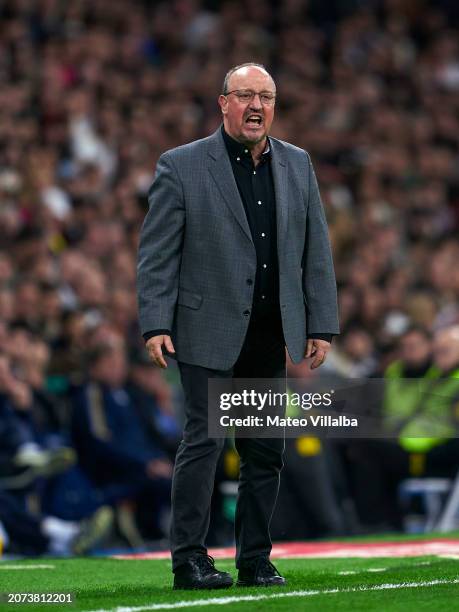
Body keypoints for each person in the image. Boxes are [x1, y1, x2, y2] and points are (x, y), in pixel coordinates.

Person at [137, 63, 339, 589]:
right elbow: (157, 253)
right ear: (222, 102)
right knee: (204, 440)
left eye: (266, 97)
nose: (257, 105)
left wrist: (322, 321)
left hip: (271, 329)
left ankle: (254, 558)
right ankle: (189, 559)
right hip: (205, 327)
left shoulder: (297, 163)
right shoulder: (180, 165)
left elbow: (315, 249)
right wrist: (155, 321)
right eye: (246, 95)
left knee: (264, 448)